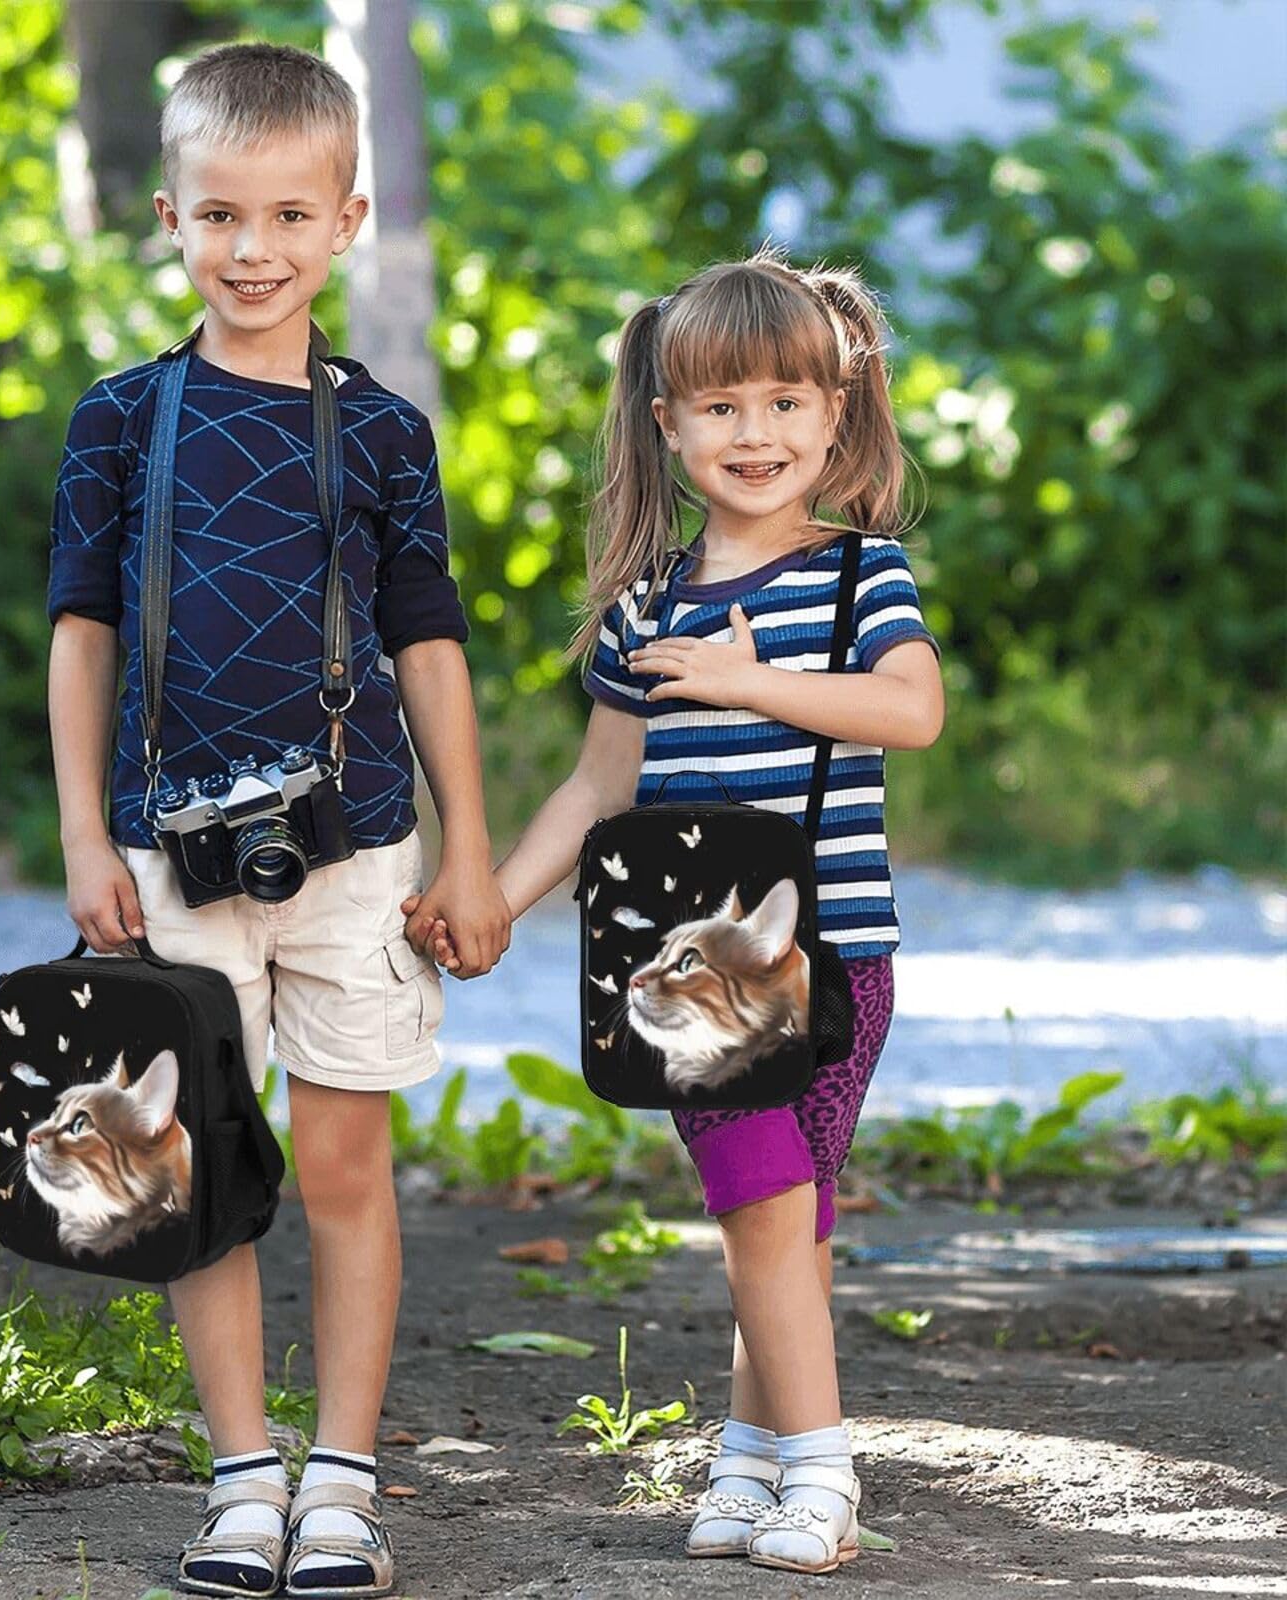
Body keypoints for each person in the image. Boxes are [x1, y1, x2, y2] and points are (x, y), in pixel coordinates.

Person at [46, 41, 510, 1598]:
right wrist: (84, 836)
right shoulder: (120, 420)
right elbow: (82, 638)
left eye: (290, 216)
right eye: (222, 215)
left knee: (343, 1173)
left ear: (347, 219)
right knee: (200, 1172)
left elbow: (428, 644)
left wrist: (470, 847)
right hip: (165, 853)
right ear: (169, 217)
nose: (255, 249)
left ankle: (345, 1481)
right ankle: (244, 1477)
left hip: (359, 847)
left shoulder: (384, 432)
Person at [415, 248, 943, 1575]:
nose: (755, 433)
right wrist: (494, 902)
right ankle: (815, 1473)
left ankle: (764, 1461)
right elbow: (598, 785)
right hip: (691, 974)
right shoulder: (648, 604)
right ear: (669, 423)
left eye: (785, 402)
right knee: (761, 1202)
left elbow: (912, 710)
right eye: (721, 406)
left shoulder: (859, 577)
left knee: (793, 1220)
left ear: (836, 411)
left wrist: (748, 682)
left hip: (839, 959)